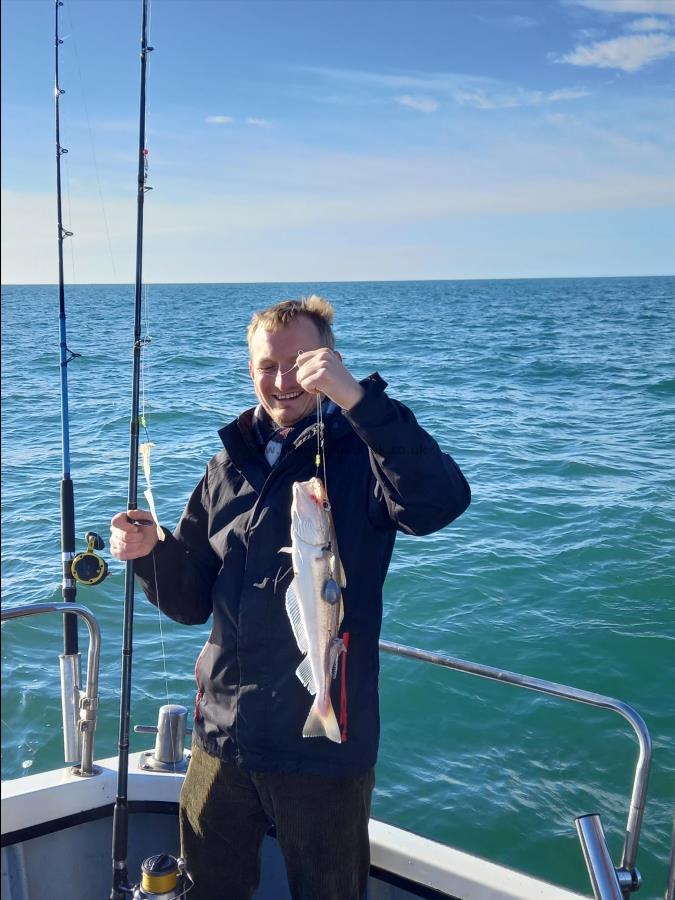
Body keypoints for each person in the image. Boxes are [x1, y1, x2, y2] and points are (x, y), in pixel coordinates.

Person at [109, 296, 471, 900]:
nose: (281, 381)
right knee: (207, 890)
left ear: (329, 361)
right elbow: (193, 600)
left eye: (299, 363)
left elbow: (439, 503)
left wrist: (360, 401)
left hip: (322, 747)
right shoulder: (227, 466)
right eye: (266, 366)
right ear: (249, 369)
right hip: (221, 736)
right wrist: (152, 551)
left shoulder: (364, 456)